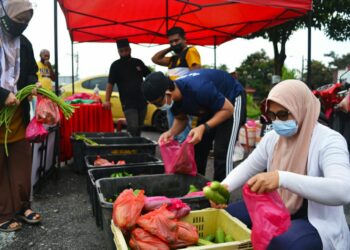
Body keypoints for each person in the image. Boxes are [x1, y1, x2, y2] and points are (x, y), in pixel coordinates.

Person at [214, 80, 350, 249]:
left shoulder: (329, 141)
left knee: (282, 242)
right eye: (272, 115)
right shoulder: (273, 138)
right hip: (276, 208)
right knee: (228, 217)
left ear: (301, 108)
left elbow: (343, 191)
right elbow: (248, 166)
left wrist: (281, 178)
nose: (277, 121)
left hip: (313, 221)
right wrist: (222, 189)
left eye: (283, 115)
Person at [142, 69, 246, 181]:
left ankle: (222, 193)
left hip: (231, 99)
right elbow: (181, 119)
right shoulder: (173, 100)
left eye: (157, 103)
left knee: (222, 151)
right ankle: (197, 188)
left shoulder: (199, 88)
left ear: (168, 93)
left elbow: (228, 110)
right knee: (198, 147)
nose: (157, 107)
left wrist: (204, 127)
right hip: (210, 104)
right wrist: (170, 133)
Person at [0, 0, 42, 232]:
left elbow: (30, 72)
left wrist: (31, 85)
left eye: (26, 23)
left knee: (20, 162)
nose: (22, 27)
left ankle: (23, 206)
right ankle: (3, 212)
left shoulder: (24, 43)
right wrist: (3, 94)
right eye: (18, 22)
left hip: (17, 116)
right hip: (1, 111)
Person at [152, 26, 201, 142]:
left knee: (184, 133)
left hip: (184, 98)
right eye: (171, 42)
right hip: (172, 98)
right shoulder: (173, 59)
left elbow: (196, 74)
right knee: (175, 132)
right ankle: (180, 155)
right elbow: (155, 59)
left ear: (184, 39)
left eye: (177, 40)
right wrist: (171, 48)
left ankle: (186, 156)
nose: (174, 43)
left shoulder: (190, 51)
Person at [103, 38, 151, 137]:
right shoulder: (115, 66)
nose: (124, 52)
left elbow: (150, 77)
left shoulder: (138, 62)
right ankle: (132, 147)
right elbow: (110, 84)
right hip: (127, 102)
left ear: (130, 49)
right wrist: (107, 100)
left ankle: (137, 148)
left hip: (142, 100)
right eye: (121, 51)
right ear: (118, 52)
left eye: (126, 50)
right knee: (133, 126)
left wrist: (150, 93)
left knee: (139, 126)